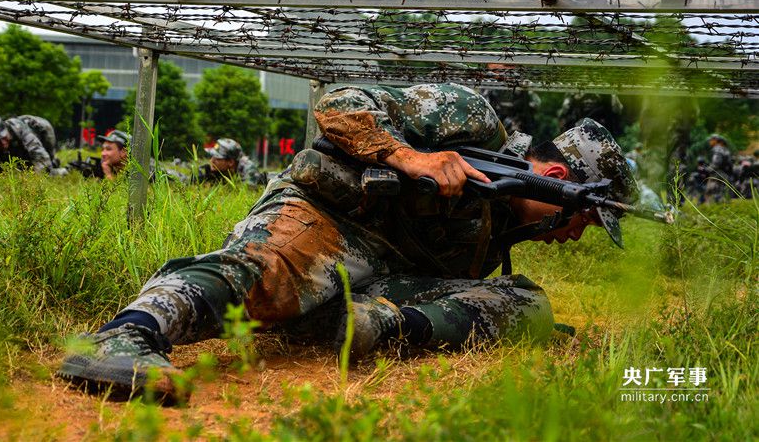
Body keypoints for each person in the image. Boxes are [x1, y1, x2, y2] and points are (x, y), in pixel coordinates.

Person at [57, 83, 636, 403]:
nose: (572, 234)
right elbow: (340, 102)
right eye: (583, 219)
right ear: (560, 185)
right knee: (264, 270)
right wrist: (409, 157)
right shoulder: (471, 120)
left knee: (527, 303)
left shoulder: (498, 234)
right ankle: (126, 335)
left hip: (377, 285)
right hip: (330, 217)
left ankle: (369, 327)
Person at [0, 113, 66, 175]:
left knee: (47, 170)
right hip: (15, 150)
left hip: (43, 131)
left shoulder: (20, 130)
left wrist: (32, 180)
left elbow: (41, 158)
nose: (3, 143)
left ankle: (62, 169)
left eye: (4, 137)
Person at [192, 138, 266, 186]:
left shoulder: (248, 169)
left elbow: (246, 194)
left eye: (217, 158)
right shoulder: (215, 169)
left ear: (230, 162)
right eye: (212, 157)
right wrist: (198, 178)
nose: (212, 161)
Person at [705, 134, 734, 202]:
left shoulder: (717, 149)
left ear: (715, 140)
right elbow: (730, 163)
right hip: (725, 173)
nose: (709, 142)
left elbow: (716, 162)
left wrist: (708, 169)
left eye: (711, 140)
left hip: (717, 173)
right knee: (724, 192)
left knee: (711, 192)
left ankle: (713, 207)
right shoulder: (725, 149)